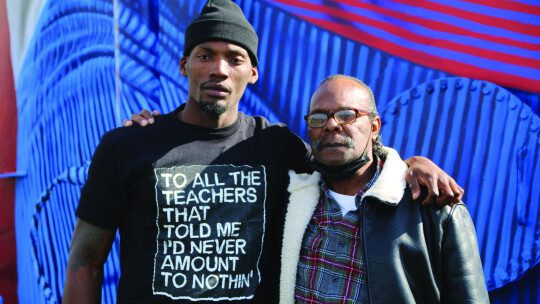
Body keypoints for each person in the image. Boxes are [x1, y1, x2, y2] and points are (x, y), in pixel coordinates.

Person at [63, 0, 462, 303]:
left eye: (234, 58)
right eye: (205, 55)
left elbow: (346, 161)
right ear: (184, 65)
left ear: (252, 73)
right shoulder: (127, 146)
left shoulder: (277, 145)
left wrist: (407, 164)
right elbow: (85, 259)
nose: (218, 69)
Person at [280, 75, 489, 303]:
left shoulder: (435, 209)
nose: (331, 125)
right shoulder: (288, 198)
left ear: (374, 127)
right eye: (318, 118)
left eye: (347, 115)